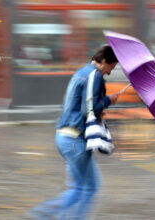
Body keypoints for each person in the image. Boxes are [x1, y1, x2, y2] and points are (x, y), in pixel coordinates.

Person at [29, 45, 119, 220]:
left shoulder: (81, 72)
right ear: (104, 61)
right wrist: (108, 100)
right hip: (74, 139)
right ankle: (41, 214)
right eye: (111, 67)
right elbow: (89, 110)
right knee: (87, 188)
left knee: (77, 188)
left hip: (64, 137)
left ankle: (45, 215)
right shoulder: (94, 75)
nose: (109, 73)